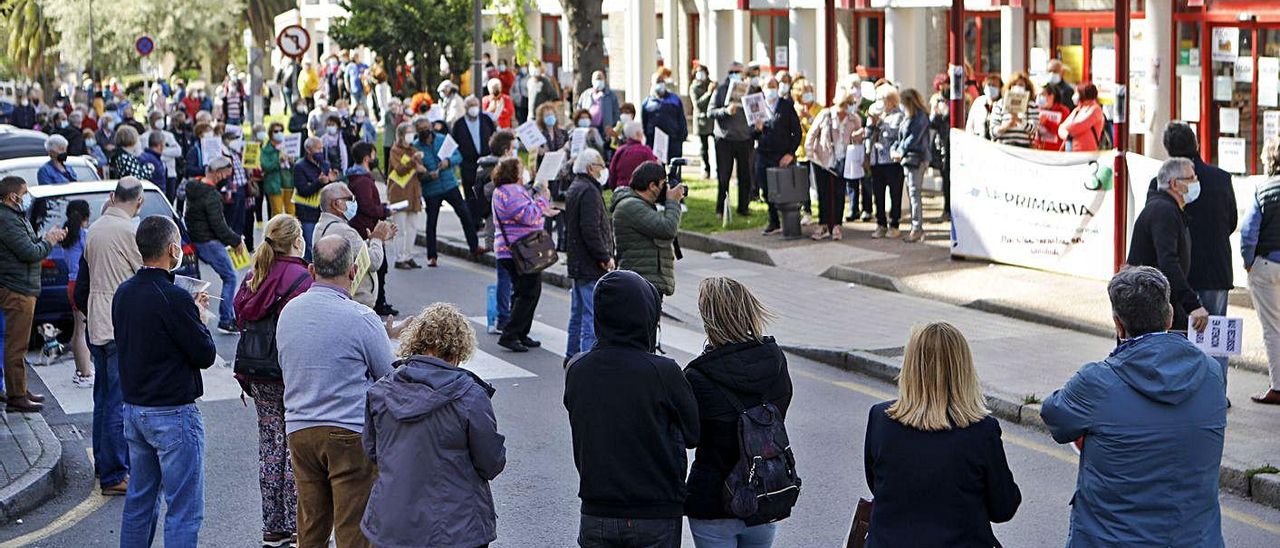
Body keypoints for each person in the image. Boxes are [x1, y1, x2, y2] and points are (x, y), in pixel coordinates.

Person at [1041, 266, 1226, 547]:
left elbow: (1054, 415)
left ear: (1118, 325)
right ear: (1170, 316)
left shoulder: (1096, 382)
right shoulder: (1212, 375)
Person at [564, 269, 700, 548]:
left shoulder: (578, 369)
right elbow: (693, 434)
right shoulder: (663, 371)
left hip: (597, 509)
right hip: (655, 510)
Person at [278, 235, 396, 548]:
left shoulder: (289, 313)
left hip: (300, 429)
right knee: (353, 528)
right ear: (354, 271)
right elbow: (389, 376)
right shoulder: (361, 317)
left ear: (312, 270)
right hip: (348, 430)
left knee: (312, 525)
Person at [361, 303, 506, 547]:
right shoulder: (470, 396)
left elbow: (373, 450)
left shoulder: (381, 391)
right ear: (458, 352)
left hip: (393, 524)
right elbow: (491, 462)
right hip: (456, 527)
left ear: (416, 342)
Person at [865, 322, 1021, 546]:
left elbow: (877, 484)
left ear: (910, 367)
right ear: (963, 369)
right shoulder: (982, 430)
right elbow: (1003, 508)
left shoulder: (881, 419)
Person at [115, 216, 217, 547]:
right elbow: (204, 354)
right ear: (173, 249)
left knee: (139, 503)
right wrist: (199, 318)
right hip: (172, 413)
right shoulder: (173, 297)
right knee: (183, 510)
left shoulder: (124, 292)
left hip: (135, 409)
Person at [683, 277, 793, 547]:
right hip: (764, 495)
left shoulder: (698, 375)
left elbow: (689, 436)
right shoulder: (775, 360)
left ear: (710, 319)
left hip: (713, 500)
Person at [232, 214, 312, 547]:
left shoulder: (254, 275)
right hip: (291, 372)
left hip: (259, 373)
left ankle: (272, 525)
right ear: (296, 241)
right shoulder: (301, 278)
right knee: (294, 448)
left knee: (270, 446)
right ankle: (296, 524)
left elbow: (239, 314)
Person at [1163, 122, 1237, 381]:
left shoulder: (1166, 182)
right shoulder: (1221, 178)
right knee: (1215, 338)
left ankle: (1187, 394)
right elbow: (1232, 222)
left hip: (1181, 272)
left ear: (1169, 150)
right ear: (1196, 144)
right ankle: (1217, 392)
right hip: (1216, 270)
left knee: (1181, 336)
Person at [82, 178, 143, 492]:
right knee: (118, 400)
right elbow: (144, 271)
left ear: (113, 196)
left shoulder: (95, 227)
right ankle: (115, 473)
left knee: (103, 397)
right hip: (118, 320)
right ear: (138, 201)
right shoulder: (130, 231)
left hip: (96, 318)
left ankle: (103, 464)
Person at [0, 176, 66, 413]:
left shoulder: (15, 217)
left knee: (20, 343)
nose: (27, 197)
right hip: (16, 289)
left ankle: (20, 388)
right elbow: (29, 251)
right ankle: (16, 396)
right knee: (16, 345)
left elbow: (30, 242)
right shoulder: (6, 220)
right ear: (12, 197)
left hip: (23, 286)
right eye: (24, 193)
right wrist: (48, 241)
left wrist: (47, 238)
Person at [1127, 158, 1209, 335]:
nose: (1196, 182)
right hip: (1149, 305)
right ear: (1174, 184)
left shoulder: (1167, 209)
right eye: (1191, 178)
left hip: (1155, 301)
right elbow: (1168, 262)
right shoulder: (1164, 211)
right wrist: (1192, 305)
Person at [491, 158, 555, 352]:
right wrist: (543, 198)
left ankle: (520, 333)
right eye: (521, 169)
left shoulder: (503, 191)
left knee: (524, 291)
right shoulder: (511, 191)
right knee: (528, 292)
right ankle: (510, 334)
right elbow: (528, 215)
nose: (524, 172)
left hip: (511, 250)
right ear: (514, 173)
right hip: (519, 250)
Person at [563, 149, 615, 363]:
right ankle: (586, 360)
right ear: (589, 168)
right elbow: (590, 229)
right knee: (590, 315)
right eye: (600, 166)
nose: (603, 170)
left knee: (577, 313)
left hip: (578, 262)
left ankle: (571, 355)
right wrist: (604, 256)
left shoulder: (577, 187)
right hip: (589, 263)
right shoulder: (590, 192)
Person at [184, 157, 246, 333]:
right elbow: (218, 224)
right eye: (227, 173)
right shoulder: (211, 195)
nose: (228, 177)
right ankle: (226, 319)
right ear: (219, 173)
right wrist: (235, 240)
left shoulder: (194, 186)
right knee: (230, 277)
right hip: (208, 240)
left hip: (198, 237)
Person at [1242, 139, 1280, 405]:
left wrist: (1248, 261)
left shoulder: (1263, 189)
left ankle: (1278, 386)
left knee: (1273, 328)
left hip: (1267, 265)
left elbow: (1248, 232)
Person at [611, 162, 685, 298]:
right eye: (663, 185)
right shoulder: (631, 206)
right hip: (640, 283)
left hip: (644, 282)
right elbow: (667, 229)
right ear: (652, 186)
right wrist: (673, 202)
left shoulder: (639, 204)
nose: (665, 190)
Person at [315, 183, 393, 310]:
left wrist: (372, 241)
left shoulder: (321, 226)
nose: (353, 203)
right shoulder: (345, 231)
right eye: (350, 199)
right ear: (336, 204)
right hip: (357, 302)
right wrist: (377, 238)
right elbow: (373, 261)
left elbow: (355, 252)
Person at [417, 118, 481, 267]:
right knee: (431, 222)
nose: (424, 132)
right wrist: (427, 175)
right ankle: (431, 256)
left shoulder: (443, 139)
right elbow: (416, 172)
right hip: (431, 189)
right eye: (420, 129)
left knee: (464, 213)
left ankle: (474, 246)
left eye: (426, 128)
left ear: (431, 127)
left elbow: (458, 156)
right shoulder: (416, 148)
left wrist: (448, 161)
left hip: (449, 184)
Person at [345, 143, 397, 317]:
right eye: (374, 155)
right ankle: (378, 302)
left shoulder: (356, 178)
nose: (376, 159)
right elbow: (367, 206)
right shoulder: (363, 181)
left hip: (364, 227)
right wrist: (384, 211)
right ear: (367, 158)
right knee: (378, 266)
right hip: (367, 230)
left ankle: (380, 300)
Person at [807, 88, 863, 242]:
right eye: (847, 105)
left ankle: (837, 225)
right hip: (822, 160)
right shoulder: (826, 115)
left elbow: (859, 140)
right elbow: (812, 134)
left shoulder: (854, 119)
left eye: (852, 104)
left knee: (839, 194)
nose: (849, 108)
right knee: (823, 193)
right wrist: (810, 154)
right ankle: (823, 224)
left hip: (843, 161)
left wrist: (858, 137)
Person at [751, 75, 802, 236]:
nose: (771, 90)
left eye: (774, 86)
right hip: (763, 153)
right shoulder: (758, 106)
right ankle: (773, 220)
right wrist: (757, 129)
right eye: (768, 86)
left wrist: (790, 153)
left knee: (783, 189)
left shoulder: (786, 106)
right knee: (765, 189)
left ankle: (790, 221)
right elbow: (751, 134)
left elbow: (797, 132)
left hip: (781, 155)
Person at [52, 200, 94, 387]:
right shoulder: (83, 236)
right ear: (86, 217)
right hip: (82, 283)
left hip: (71, 283)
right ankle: (85, 373)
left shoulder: (67, 236)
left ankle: (80, 371)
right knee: (83, 330)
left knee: (78, 329)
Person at [709, 62, 756, 216]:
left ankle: (743, 207)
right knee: (724, 176)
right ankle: (721, 208)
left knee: (745, 176)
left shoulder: (749, 90)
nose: (735, 74)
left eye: (738, 72)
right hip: (725, 139)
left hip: (744, 139)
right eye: (732, 71)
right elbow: (710, 112)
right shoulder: (720, 90)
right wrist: (725, 111)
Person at [893, 89, 932, 243]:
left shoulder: (920, 117)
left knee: (915, 193)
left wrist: (900, 151)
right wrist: (895, 149)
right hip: (908, 160)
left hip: (917, 159)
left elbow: (913, 139)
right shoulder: (907, 118)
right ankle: (916, 227)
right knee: (912, 193)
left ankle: (917, 228)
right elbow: (900, 136)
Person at [867, 84, 905, 240]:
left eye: (882, 99)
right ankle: (880, 223)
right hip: (877, 160)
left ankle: (894, 224)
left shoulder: (898, 116)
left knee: (895, 193)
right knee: (878, 193)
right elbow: (867, 135)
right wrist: (871, 124)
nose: (879, 102)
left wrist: (881, 123)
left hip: (892, 161)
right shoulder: (877, 114)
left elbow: (895, 135)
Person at [452, 96, 497, 227]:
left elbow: (494, 136)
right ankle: (474, 221)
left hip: (487, 162)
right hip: (468, 164)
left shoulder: (485, 120)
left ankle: (487, 219)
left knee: (486, 191)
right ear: (466, 108)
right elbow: (455, 144)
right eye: (470, 105)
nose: (473, 108)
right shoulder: (459, 124)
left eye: (475, 105)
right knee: (470, 193)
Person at [387, 121, 425, 270]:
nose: (411, 135)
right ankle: (399, 257)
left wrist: (419, 163)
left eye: (412, 132)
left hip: (414, 192)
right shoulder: (395, 150)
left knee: (412, 227)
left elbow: (419, 169)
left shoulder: (413, 150)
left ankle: (408, 256)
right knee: (400, 228)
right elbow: (400, 169)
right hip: (399, 193)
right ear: (401, 134)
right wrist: (414, 161)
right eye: (408, 132)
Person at [292, 136, 337, 259]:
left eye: (322, 148)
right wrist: (319, 182)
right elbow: (303, 191)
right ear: (308, 150)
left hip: (323, 212)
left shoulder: (325, 164)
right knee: (310, 247)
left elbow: (329, 188)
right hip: (307, 214)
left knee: (323, 246)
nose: (320, 152)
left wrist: (331, 180)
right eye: (318, 149)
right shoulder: (299, 167)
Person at [792, 78, 824, 224]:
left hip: (816, 152)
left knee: (818, 183)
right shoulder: (795, 109)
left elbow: (820, 129)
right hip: (801, 152)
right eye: (805, 92)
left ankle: (823, 213)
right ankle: (807, 211)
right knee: (803, 183)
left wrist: (808, 118)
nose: (808, 95)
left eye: (810, 91)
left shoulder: (819, 109)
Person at [642, 73, 688, 161]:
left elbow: (681, 119)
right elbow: (645, 122)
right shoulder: (647, 102)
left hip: (673, 140)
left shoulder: (675, 99)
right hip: (655, 141)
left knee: (674, 169)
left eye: (662, 81)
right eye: (658, 81)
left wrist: (681, 137)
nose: (660, 84)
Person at [987, 72, 1040, 148]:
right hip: (1004, 147)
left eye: (1021, 85)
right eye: (1014, 84)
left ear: (1026, 88)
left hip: (1024, 149)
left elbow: (1034, 129)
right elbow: (992, 132)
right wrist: (1007, 125)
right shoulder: (1000, 104)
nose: (1017, 87)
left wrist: (1019, 121)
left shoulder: (1031, 105)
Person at [579, 70, 623, 157]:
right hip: (589, 131)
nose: (598, 81)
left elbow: (617, 116)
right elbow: (579, 111)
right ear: (592, 81)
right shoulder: (585, 95)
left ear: (605, 80)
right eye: (596, 79)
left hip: (606, 131)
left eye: (600, 78)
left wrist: (614, 131)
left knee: (604, 153)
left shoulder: (611, 96)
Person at [606, 121, 658, 190]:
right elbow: (655, 173)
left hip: (621, 190)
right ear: (638, 134)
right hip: (640, 192)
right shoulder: (646, 151)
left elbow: (612, 174)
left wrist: (614, 189)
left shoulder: (619, 151)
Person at [1058, 83, 1106, 152]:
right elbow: (1061, 128)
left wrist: (1067, 131)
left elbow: (1079, 126)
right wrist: (1067, 133)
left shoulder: (1095, 109)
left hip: (1085, 152)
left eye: (1076, 93)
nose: (1074, 96)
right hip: (1070, 149)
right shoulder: (1078, 109)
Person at [690, 64, 716, 178]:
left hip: (713, 120)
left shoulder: (711, 84)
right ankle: (706, 169)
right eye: (698, 72)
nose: (701, 74)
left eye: (703, 72)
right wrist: (708, 93)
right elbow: (698, 104)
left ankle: (718, 169)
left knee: (718, 146)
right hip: (701, 120)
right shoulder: (694, 87)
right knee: (704, 147)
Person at [262, 123, 292, 218]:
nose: (279, 133)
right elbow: (265, 166)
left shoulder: (289, 146)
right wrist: (278, 161)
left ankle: (292, 232)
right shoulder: (266, 150)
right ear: (271, 133)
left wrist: (292, 161)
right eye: (276, 131)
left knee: (291, 212)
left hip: (289, 183)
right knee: (277, 213)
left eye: (281, 130)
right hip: (274, 184)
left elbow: (297, 162)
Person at [1034, 86, 1071, 151]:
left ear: (1051, 96)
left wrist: (1047, 122)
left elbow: (1064, 133)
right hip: (1038, 149)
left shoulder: (1063, 111)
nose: (1039, 97)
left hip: (1056, 151)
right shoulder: (1036, 109)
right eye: (1038, 95)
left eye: (1042, 94)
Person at [965, 75, 1002, 140]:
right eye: (989, 85)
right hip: (978, 141)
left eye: (994, 86)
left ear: (1000, 89)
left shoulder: (1002, 104)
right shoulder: (978, 102)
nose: (991, 88)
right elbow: (970, 125)